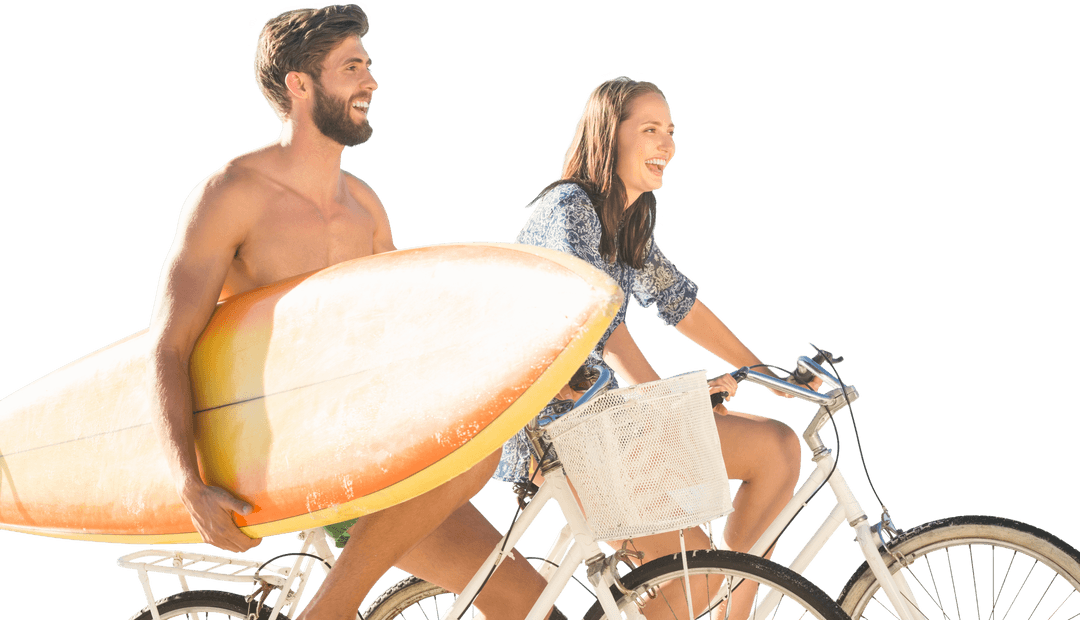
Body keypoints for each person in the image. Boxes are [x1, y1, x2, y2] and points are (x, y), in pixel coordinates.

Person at [147, 4, 559, 619]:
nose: (371, 82)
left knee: (528, 604)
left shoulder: (365, 207)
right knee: (480, 451)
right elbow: (168, 346)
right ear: (300, 84)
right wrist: (187, 481)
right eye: (352, 67)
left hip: (372, 440)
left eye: (367, 65)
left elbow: (397, 341)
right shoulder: (232, 195)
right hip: (293, 450)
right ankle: (331, 610)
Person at [492, 76, 810, 619]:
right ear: (608, 136)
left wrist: (754, 367)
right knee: (694, 576)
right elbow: (596, 322)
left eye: (671, 131)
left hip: (602, 420)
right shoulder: (571, 206)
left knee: (777, 449)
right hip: (556, 428)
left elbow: (677, 302)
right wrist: (666, 399)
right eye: (651, 130)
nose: (669, 145)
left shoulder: (628, 217)